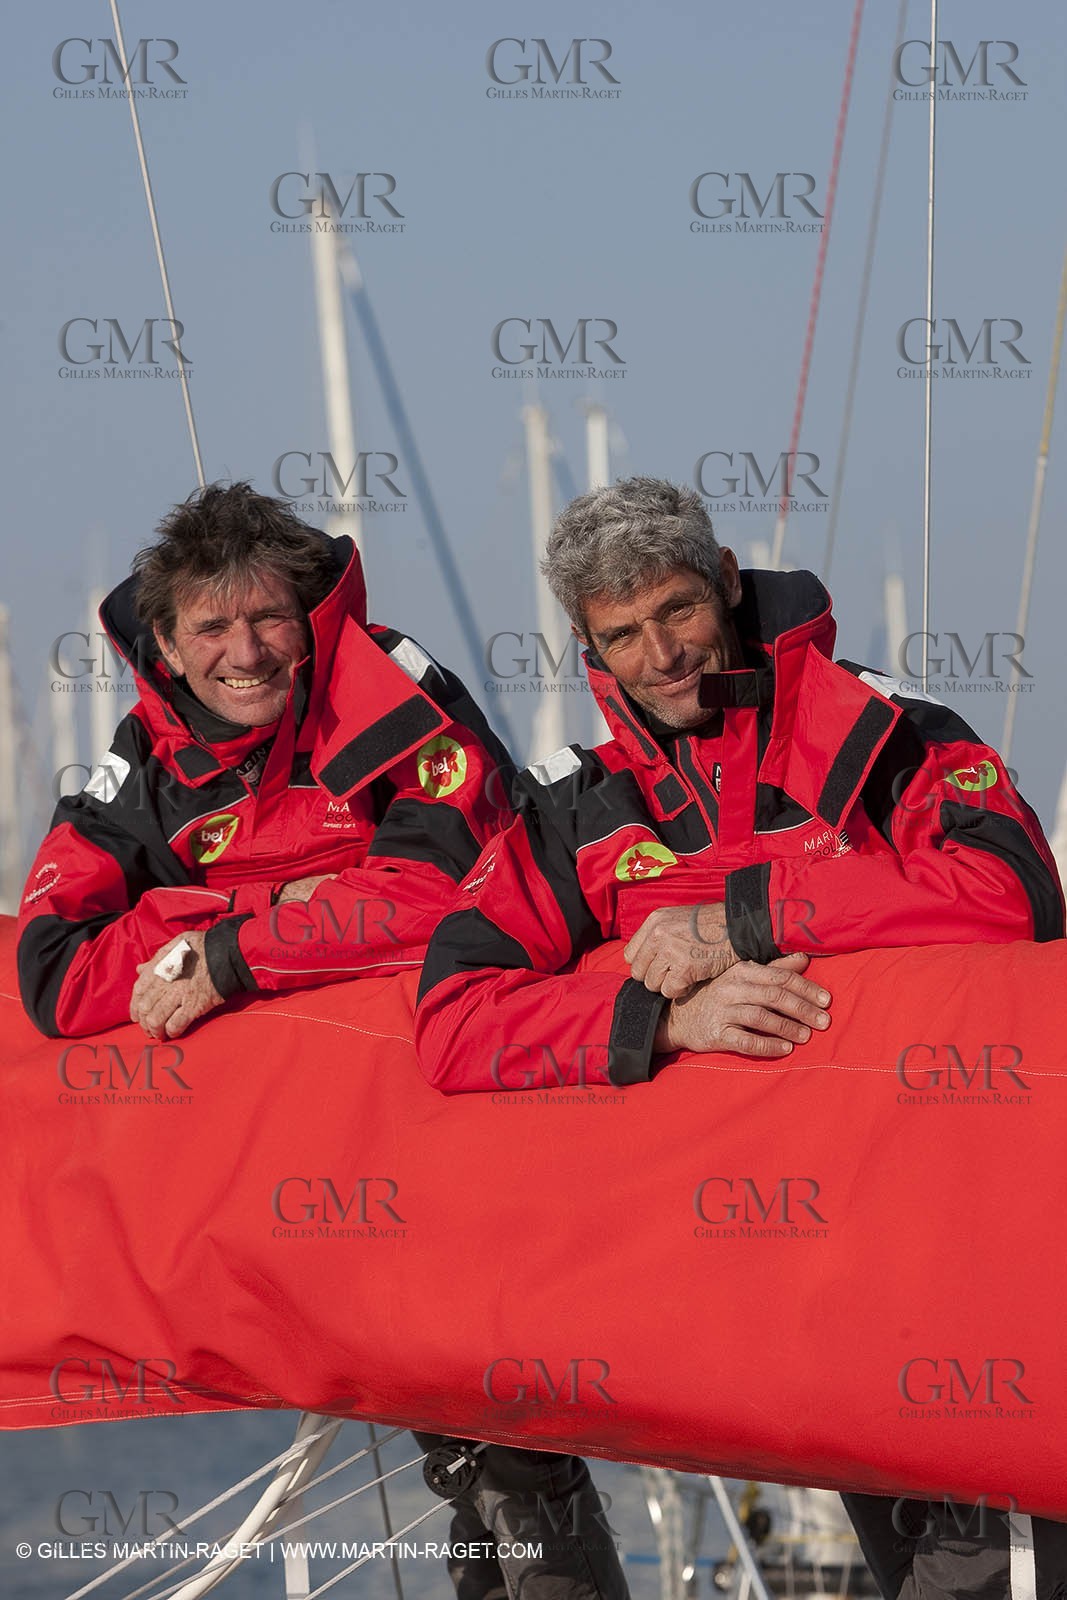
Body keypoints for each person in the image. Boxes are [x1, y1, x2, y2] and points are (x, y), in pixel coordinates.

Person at [414, 476, 1065, 1600]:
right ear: (585, 644)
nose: (661, 654)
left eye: (677, 609)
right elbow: (451, 1016)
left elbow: (1012, 889)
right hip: (743, 1302)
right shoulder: (575, 808)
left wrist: (746, 920)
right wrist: (654, 1020)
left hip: (935, 1279)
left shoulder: (880, 731)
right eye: (621, 634)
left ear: (723, 580)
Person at [17, 481, 629, 1600]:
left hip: (467, 1147)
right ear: (164, 638)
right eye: (212, 625)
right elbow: (57, 969)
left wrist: (232, 958)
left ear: (311, 614)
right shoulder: (147, 756)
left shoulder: (389, 694)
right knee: (472, 1456)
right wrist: (217, 924)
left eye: (269, 619)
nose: (244, 652)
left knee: (512, 1451)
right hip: (292, 1192)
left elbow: (446, 889)